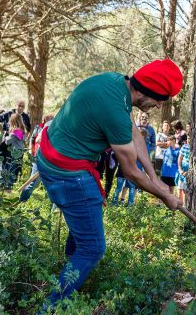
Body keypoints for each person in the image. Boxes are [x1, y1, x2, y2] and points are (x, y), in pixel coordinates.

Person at [35, 58, 182, 310]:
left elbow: (133, 133)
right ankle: (51, 307)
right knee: (92, 248)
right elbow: (131, 173)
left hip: (53, 159)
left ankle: (73, 273)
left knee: (83, 232)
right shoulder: (115, 110)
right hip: (68, 175)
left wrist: (155, 176)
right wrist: (164, 195)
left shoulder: (114, 83)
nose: (158, 106)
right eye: (160, 100)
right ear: (149, 92)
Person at [19, 116, 53, 202]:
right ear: (45, 120)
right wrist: (31, 150)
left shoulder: (54, 128)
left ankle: (54, 209)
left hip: (51, 160)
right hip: (39, 158)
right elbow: (35, 140)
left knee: (53, 184)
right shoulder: (40, 127)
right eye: (49, 119)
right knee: (33, 183)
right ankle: (22, 201)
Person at [0, 113, 26, 190]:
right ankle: (10, 184)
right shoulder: (22, 130)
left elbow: (7, 142)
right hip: (20, 151)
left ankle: (8, 185)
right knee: (15, 167)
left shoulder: (15, 132)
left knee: (11, 167)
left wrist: (6, 136)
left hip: (14, 152)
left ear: (12, 121)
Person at [176, 136, 190, 206]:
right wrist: (180, 169)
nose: (189, 139)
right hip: (183, 170)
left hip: (190, 171)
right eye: (188, 138)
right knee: (180, 187)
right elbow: (180, 158)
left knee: (186, 189)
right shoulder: (185, 146)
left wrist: (189, 171)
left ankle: (185, 206)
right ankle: (179, 205)